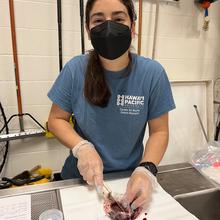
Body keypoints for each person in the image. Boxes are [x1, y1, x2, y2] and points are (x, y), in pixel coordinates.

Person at [47, 0, 175, 211]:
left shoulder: (152, 74)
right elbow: (56, 119)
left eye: (118, 18)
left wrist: (146, 169)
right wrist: (82, 147)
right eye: (98, 20)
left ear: (132, 27)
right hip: (81, 181)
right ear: (88, 30)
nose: (108, 26)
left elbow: (159, 132)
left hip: (129, 180)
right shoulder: (74, 69)